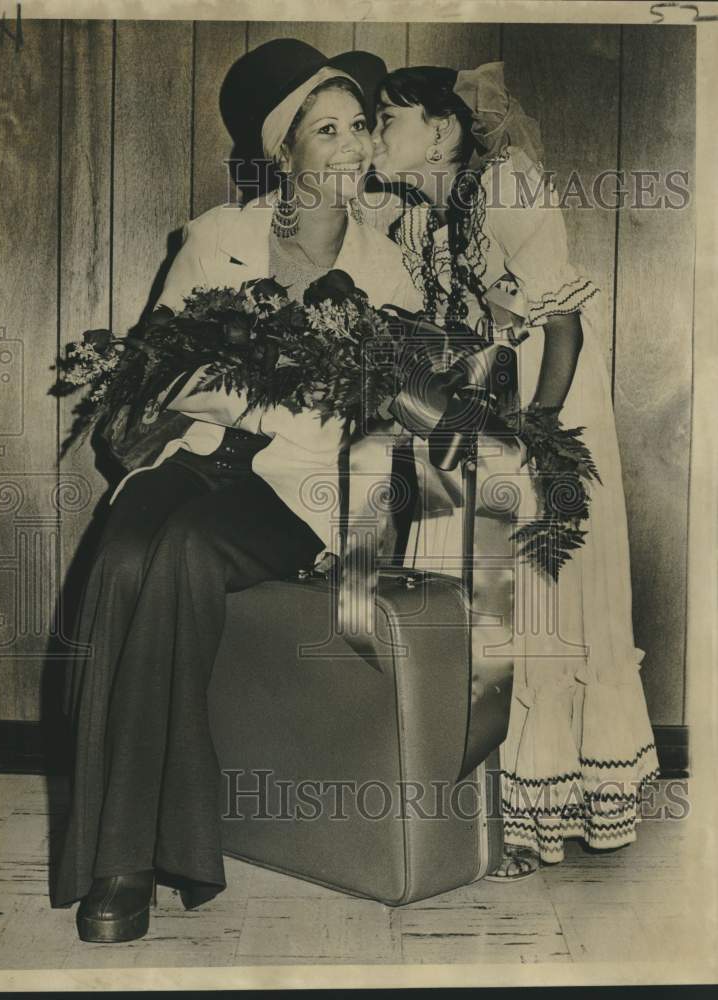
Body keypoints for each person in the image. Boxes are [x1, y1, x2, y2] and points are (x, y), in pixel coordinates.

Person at [50, 38, 421, 944]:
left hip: (302, 488)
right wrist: (264, 387)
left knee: (176, 552)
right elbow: (163, 376)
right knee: (124, 556)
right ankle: (130, 848)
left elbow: (388, 416)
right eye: (324, 131)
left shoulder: (388, 266)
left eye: (359, 128)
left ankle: (125, 865)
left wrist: (280, 398)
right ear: (282, 154)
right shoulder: (216, 238)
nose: (351, 148)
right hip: (194, 457)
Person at [366, 62, 660, 879]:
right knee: (466, 586)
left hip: (544, 402)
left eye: (389, 117)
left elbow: (558, 325)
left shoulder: (507, 184)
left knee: (536, 587)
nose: (376, 133)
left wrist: (536, 435)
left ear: (444, 128)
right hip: (469, 409)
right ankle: (470, 803)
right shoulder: (411, 223)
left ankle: (536, 812)